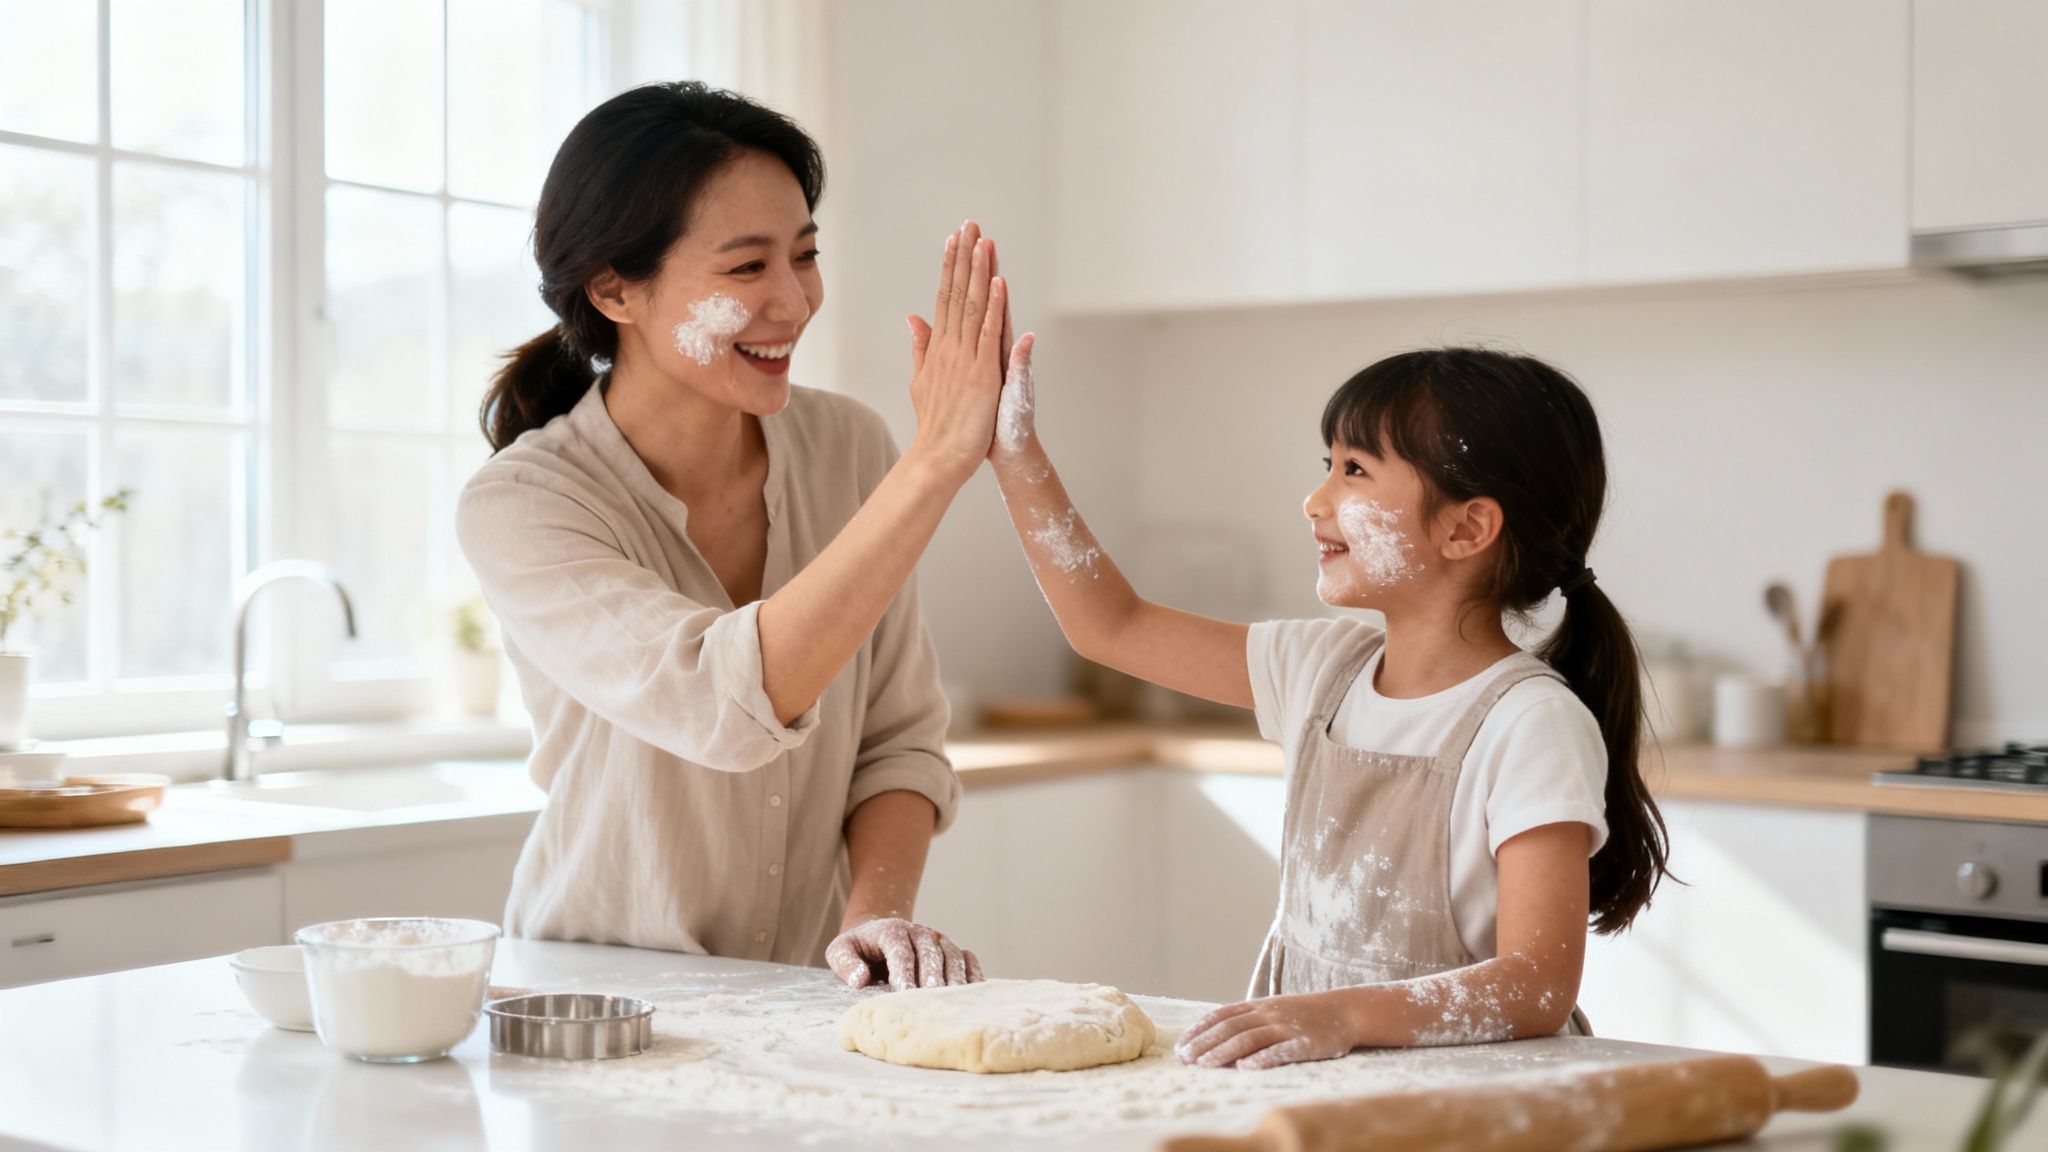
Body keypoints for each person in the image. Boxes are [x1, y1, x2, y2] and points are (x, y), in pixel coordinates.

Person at [458, 82, 1015, 990]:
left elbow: (898, 739)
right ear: (614, 289)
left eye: (805, 255)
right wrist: (937, 464)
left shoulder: (850, 448)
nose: (793, 303)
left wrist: (876, 918)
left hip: (800, 995)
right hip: (593, 1000)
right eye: (747, 268)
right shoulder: (525, 504)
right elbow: (720, 704)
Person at [985, 341, 1671, 1066]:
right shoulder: (1318, 669)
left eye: (1354, 471)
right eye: (1328, 467)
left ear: (1466, 528)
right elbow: (1111, 626)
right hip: (1331, 1092)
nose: (1316, 503)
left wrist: (1342, 1015)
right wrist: (1014, 454)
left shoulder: (1531, 725)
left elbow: (1535, 986)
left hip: (1474, 1105)